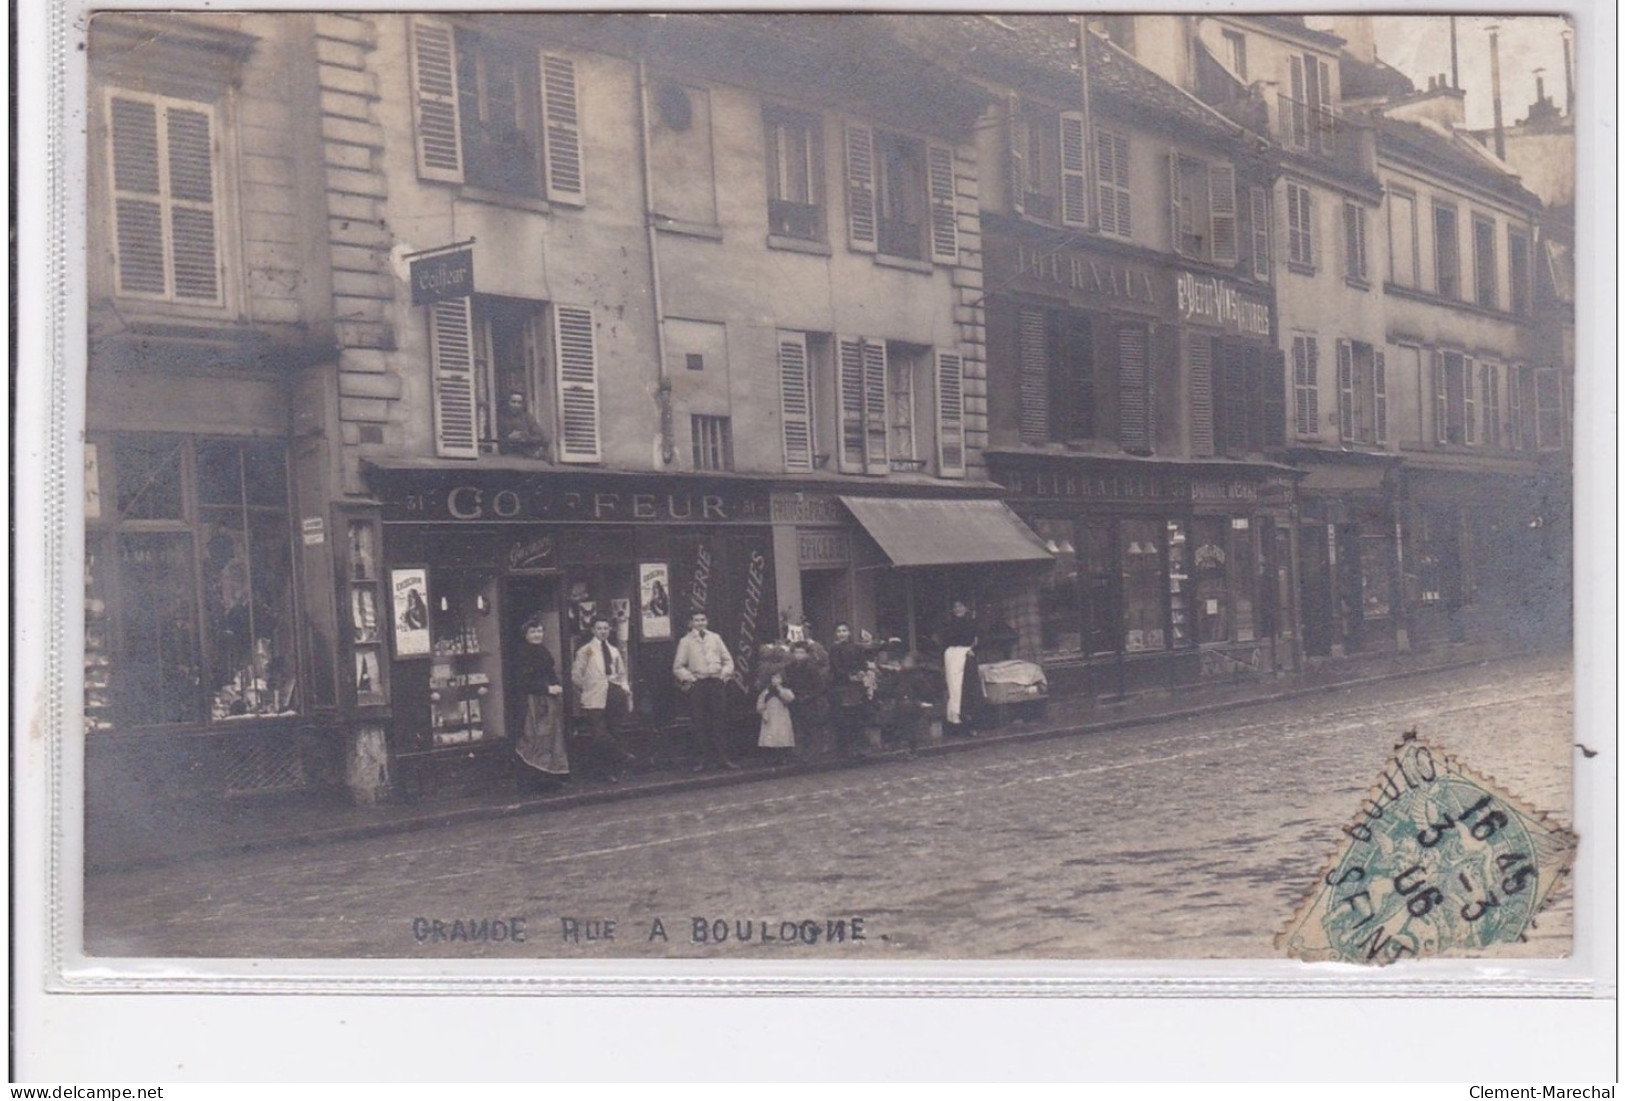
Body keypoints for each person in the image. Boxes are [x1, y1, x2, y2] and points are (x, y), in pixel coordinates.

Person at [571, 616, 637, 783]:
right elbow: (576, 675)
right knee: (600, 733)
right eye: (599, 628)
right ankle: (622, 755)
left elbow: (622, 673)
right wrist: (588, 689)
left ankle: (611, 771)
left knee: (614, 730)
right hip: (595, 696)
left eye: (606, 628)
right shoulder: (585, 650)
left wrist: (624, 688)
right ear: (593, 630)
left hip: (613, 693)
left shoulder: (614, 650)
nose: (603, 632)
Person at [671, 612, 738, 771]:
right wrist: (691, 679)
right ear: (691, 622)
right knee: (699, 722)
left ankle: (722, 758)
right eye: (696, 620)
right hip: (699, 685)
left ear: (707, 621)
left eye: (703, 620)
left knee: (719, 720)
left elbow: (728, 660)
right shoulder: (686, 641)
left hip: (716, 683)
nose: (700, 623)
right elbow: (678, 667)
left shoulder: (715, 637)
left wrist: (723, 675)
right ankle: (701, 760)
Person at [512, 614, 568, 791]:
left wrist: (556, 685)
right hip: (532, 702)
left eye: (539, 631)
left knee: (549, 739)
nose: (537, 635)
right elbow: (522, 682)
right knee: (534, 738)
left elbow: (549, 673)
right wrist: (546, 689)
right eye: (533, 631)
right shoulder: (522, 653)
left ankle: (548, 777)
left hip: (547, 701)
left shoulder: (543, 650)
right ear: (526, 634)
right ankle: (532, 781)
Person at [827, 622, 870, 760]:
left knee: (856, 717)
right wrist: (848, 676)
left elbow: (863, 663)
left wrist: (861, 673)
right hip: (841, 687)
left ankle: (859, 749)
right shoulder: (834, 649)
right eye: (839, 631)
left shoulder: (857, 647)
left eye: (844, 630)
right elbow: (835, 666)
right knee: (843, 719)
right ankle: (845, 751)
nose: (842, 633)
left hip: (855, 688)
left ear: (849, 632)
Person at [941, 599, 982, 735]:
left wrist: (970, 649)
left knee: (968, 688)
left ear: (966, 608)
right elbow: (945, 640)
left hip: (967, 656)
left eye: (961, 606)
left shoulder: (972, 623)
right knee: (954, 688)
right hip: (953, 656)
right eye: (955, 607)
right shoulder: (948, 624)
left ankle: (971, 724)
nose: (958, 609)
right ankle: (955, 723)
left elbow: (976, 640)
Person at [755, 667, 796, 758]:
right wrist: (763, 712)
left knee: (782, 735)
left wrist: (779, 688)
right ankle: (771, 756)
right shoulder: (766, 692)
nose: (775, 680)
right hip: (770, 717)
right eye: (773, 678)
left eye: (778, 678)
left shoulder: (785, 690)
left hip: (782, 716)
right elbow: (760, 704)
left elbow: (790, 698)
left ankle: (783, 755)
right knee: (770, 736)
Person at [497, 391, 550, 459]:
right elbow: (498, 444)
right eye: (513, 402)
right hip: (505, 458)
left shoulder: (528, 418)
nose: (516, 405)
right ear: (508, 402)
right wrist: (509, 438)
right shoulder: (500, 418)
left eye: (519, 403)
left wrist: (526, 437)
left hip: (525, 458)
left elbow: (543, 438)